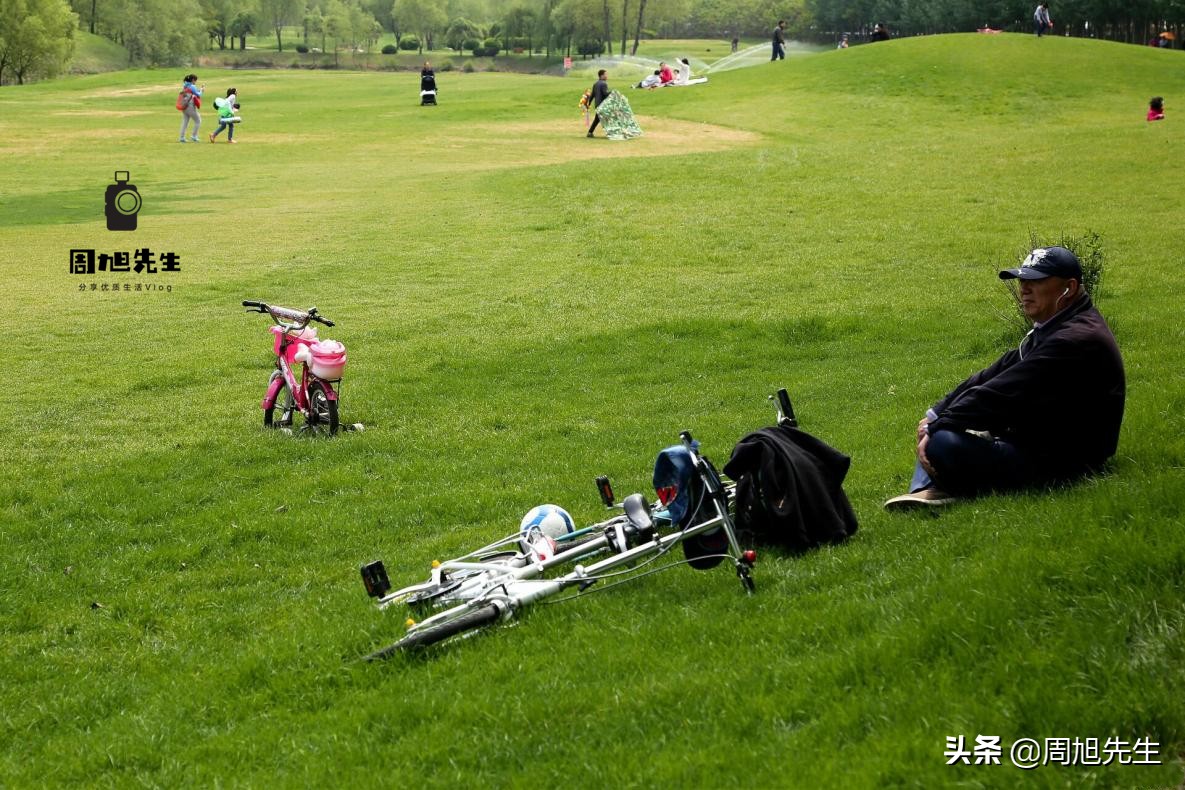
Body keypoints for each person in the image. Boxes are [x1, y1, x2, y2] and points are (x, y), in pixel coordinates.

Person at [884, 246, 1125, 510]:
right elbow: (993, 374)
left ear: (1068, 288)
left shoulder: (1075, 340)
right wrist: (934, 414)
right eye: (1023, 281)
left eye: (1036, 281)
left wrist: (939, 426)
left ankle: (939, 486)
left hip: (1063, 460)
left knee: (943, 442)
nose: (1024, 289)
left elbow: (999, 393)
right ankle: (930, 488)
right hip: (1037, 440)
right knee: (941, 428)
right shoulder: (1056, 327)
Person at [178, 73, 204, 143]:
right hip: (190, 106)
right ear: (193, 80)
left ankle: (182, 137)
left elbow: (192, 93)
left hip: (184, 106)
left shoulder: (185, 85)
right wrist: (201, 90)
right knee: (198, 121)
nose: (195, 82)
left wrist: (198, 90)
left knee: (185, 122)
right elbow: (198, 95)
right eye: (195, 80)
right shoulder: (192, 86)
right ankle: (194, 136)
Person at [586, 69, 610, 138]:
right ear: (602, 76)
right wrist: (612, 92)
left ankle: (590, 133)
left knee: (597, 119)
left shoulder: (595, 84)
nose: (607, 76)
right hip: (603, 105)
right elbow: (605, 94)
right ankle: (611, 133)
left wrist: (589, 103)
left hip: (597, 105)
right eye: (605, 74)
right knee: (607, 118)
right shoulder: (604, 84)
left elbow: (592, 95)